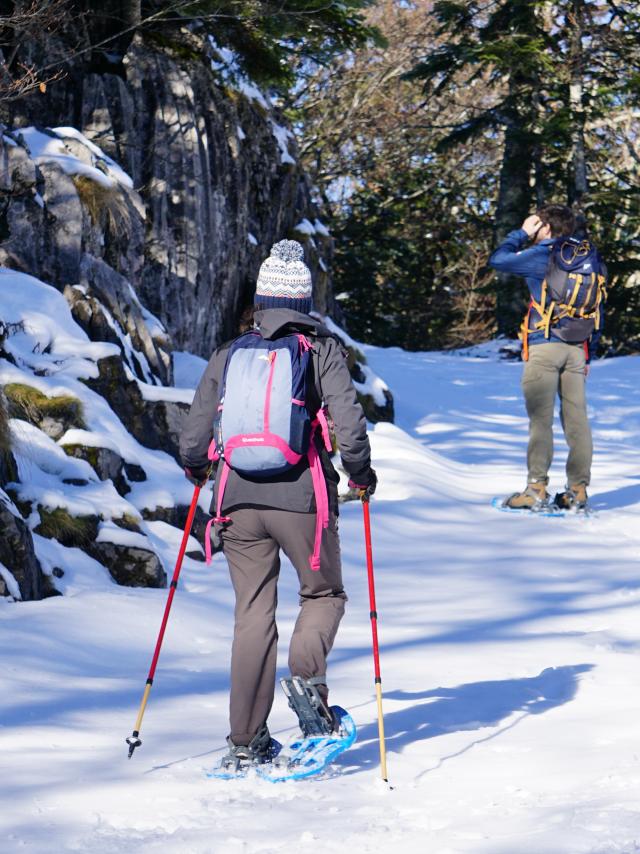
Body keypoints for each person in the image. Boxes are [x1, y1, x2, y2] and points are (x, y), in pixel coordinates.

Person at [179, 239, 376, 769]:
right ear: (305, 302)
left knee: (252, 616)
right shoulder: (321, 349)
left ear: (262, 299)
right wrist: (361, 475)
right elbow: (350, 425)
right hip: (302, 501)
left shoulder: (231, 351)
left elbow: (194, 438)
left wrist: (198, 468)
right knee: (323, 594)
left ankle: (245, 741)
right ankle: (308, 688)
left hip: (237, 502)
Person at [489, 204, 606, 510]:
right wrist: (588, 354)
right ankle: (578, 491)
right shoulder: (588, 260)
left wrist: (522, 233)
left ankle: (536, 490)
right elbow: (597, 310)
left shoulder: (542, 255)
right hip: (577, 350)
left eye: (537, 224)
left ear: (545, 226)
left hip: (543, 346)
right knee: (577, 421)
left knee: (541, 421)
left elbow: (498, 260)